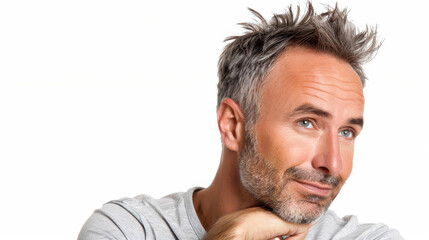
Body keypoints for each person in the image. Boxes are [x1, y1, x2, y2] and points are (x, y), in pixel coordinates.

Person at [78, 2, 403, 239]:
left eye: (347, 131)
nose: (333, 163)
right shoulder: (128, 229)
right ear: (233, 125)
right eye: (307, 123)